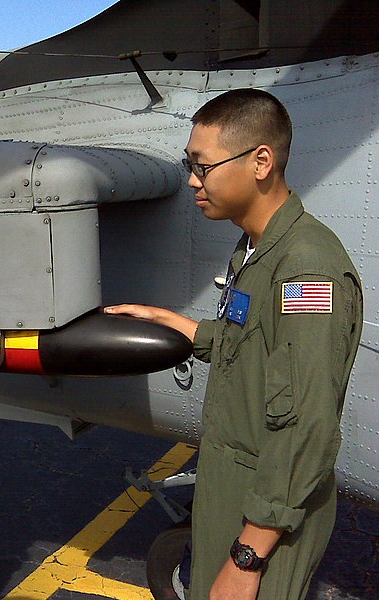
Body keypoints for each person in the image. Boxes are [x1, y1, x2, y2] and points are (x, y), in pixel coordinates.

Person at [105, 89, 363, 599]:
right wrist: (183, 327)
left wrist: (248, 555)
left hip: (267, 514)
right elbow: (254, 344)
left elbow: (308, 424)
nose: (191, 180)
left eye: (202, 166)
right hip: (236, 491)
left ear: (260, 161)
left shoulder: (306, 269)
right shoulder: (256, 250)